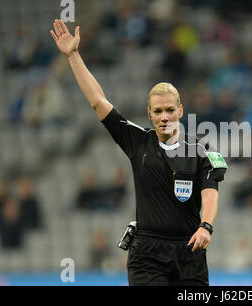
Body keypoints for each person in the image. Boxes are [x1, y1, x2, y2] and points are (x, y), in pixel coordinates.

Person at [50, 19, 227, 286]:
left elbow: (210, 194)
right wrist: (73, 56)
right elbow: (98, 101)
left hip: (189, 251)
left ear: (180, 110)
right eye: (158, 111)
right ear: (149, 114)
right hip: (147, 253)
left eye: (169, 110)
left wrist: (206, 226)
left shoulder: (202, 150)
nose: (164, 116)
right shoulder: (137, 141)